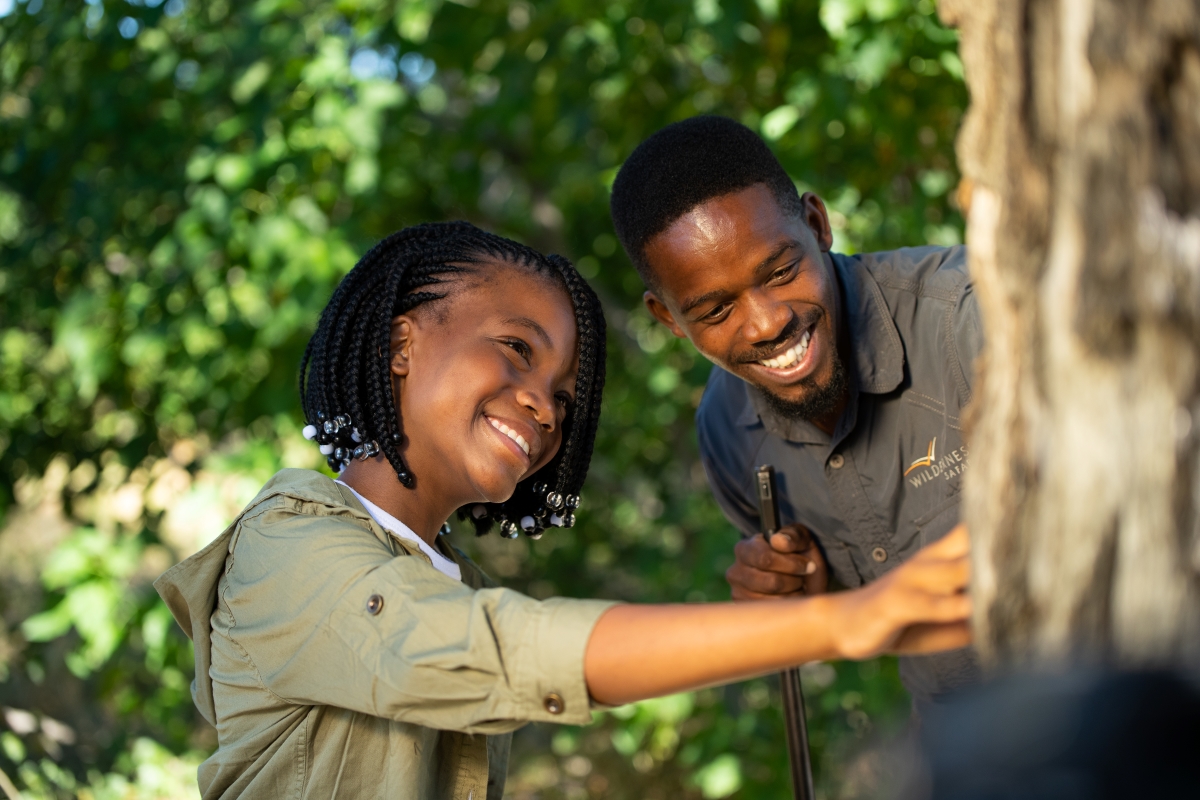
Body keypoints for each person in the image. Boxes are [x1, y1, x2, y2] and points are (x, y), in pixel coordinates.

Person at [155, 221, 972, 800]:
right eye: (515, 350)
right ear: (401, 344)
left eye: (563, 396)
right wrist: (852, 620)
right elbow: (505, 652)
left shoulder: (442, 577)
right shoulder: (288, 544)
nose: (544, 408)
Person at [609, 116, 983, 705]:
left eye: (781, 273)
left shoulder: (973, 320)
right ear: (668, 321)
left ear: (817, 223)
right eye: (714, 311)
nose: (767, 323)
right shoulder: (728, 435)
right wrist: (800, 604)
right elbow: (854, 614)